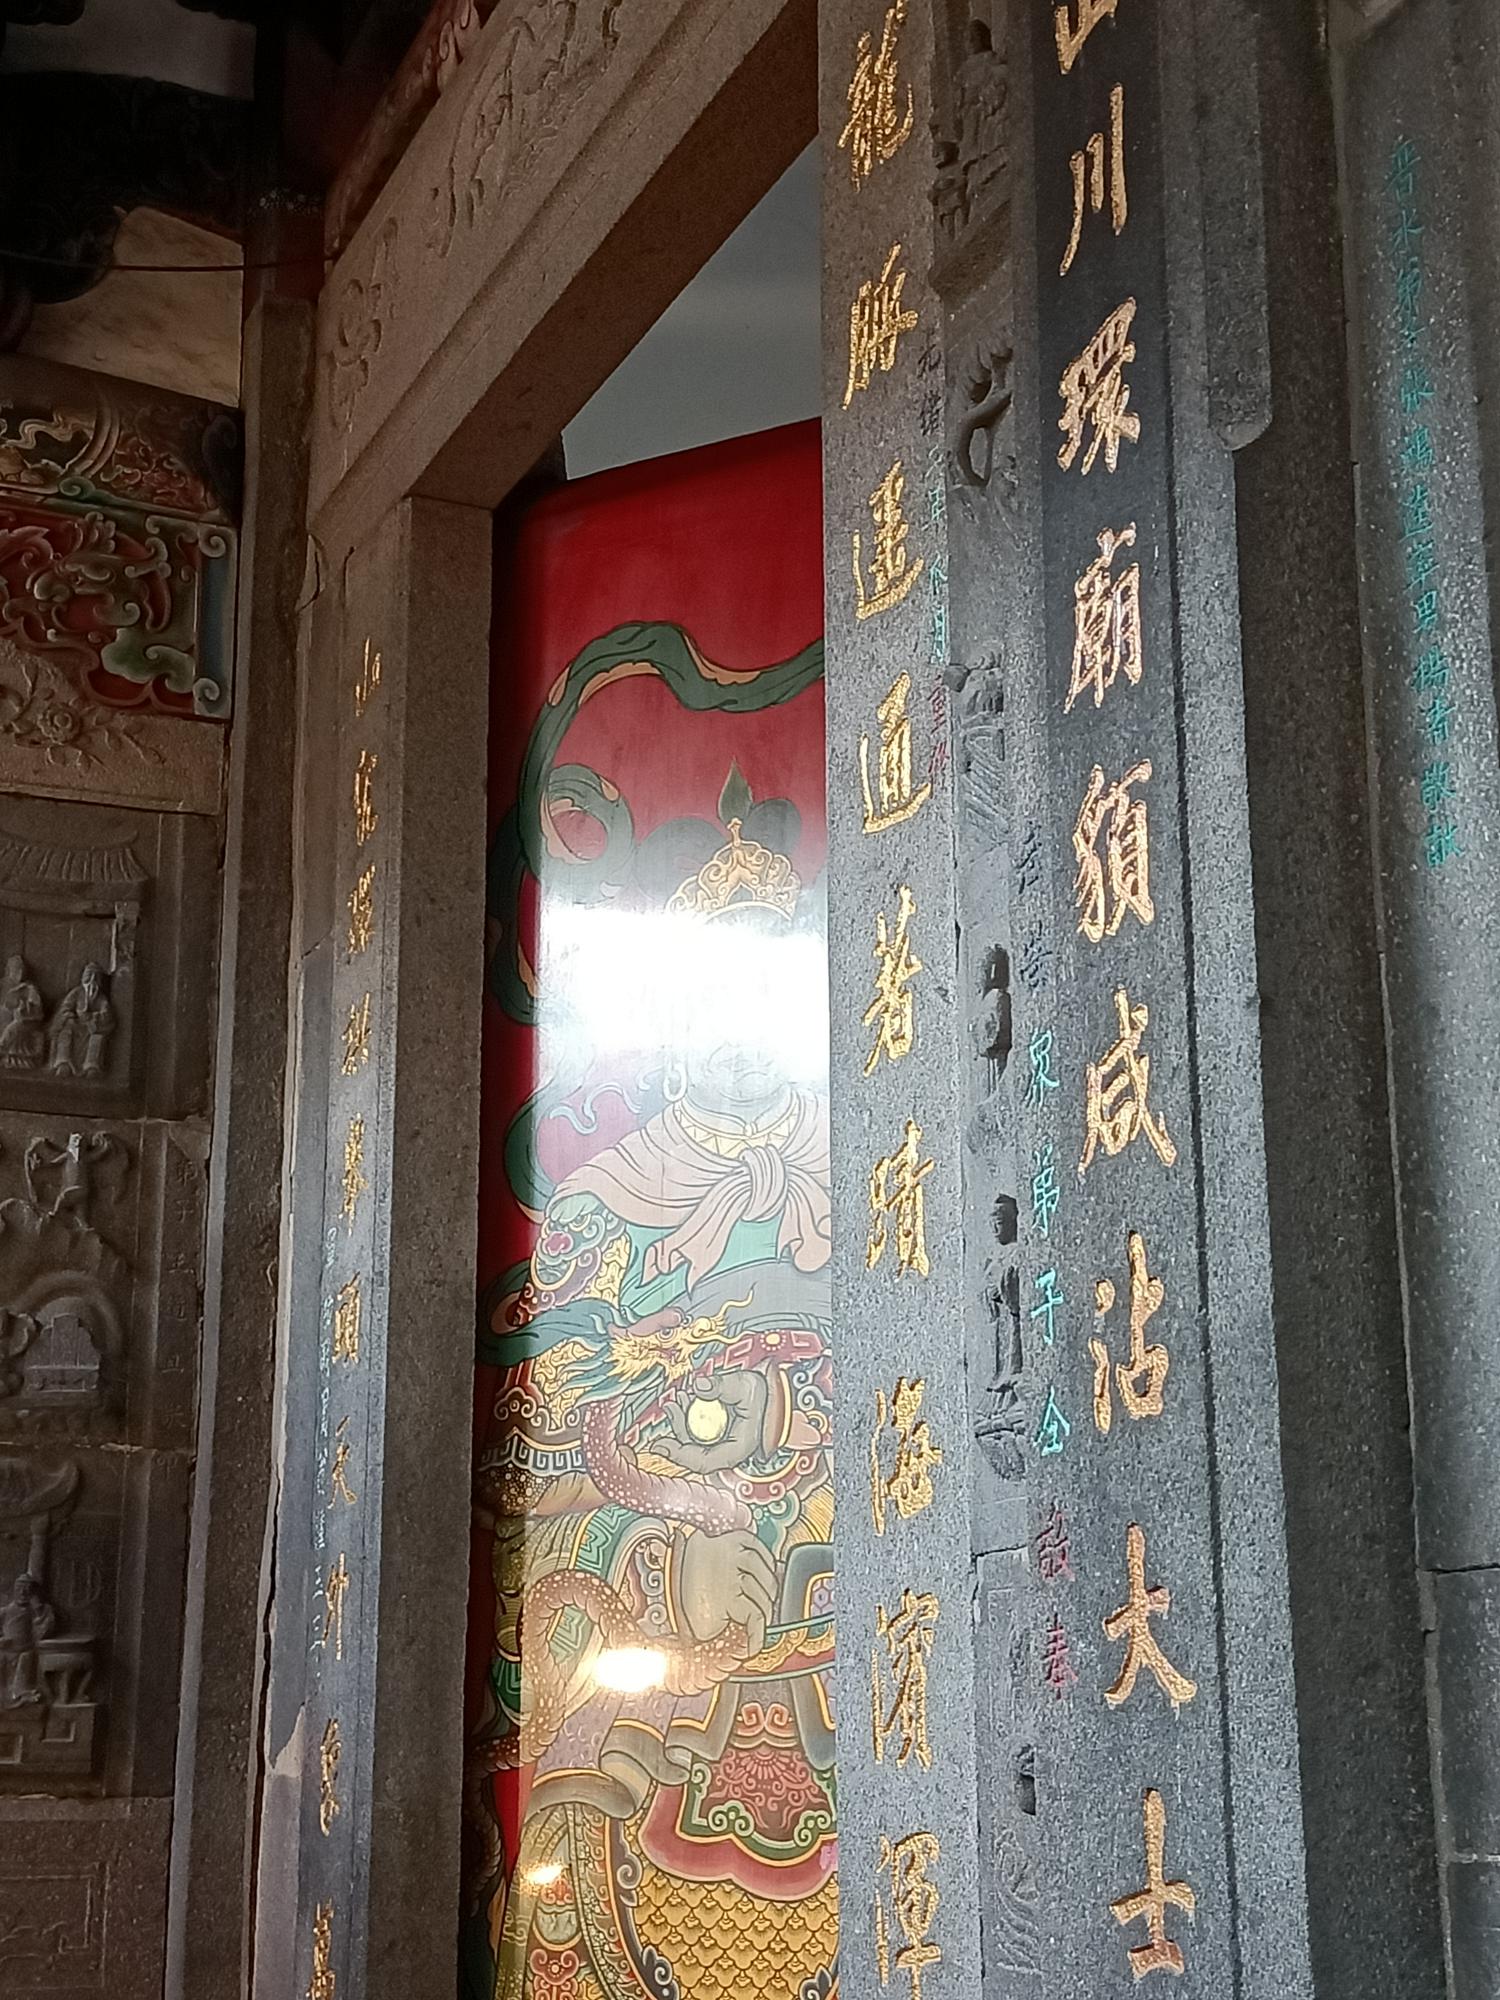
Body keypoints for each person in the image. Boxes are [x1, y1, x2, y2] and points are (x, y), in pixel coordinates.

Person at [47, 963, 113, 1078]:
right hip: (75, 1024)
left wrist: (94, 1017)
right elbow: (65, 1008)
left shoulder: (101, 997)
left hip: (91, 1027)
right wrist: (71, 1017)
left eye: (95, 978)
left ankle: (91, 1066)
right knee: (65, 1033)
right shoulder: (77, 992)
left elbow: (106, 1013)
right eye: (89, 976)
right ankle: (63, 1063)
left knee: (97, 1037)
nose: (92, 981)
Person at [0, 956, 43, 1069]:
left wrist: (25, 1009)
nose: (19, 973)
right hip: (3, 1017)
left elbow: (37, 1012)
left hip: (23, 1021)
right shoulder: (2, 985)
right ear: (8, 969)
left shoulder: (29, 989)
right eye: (15, 968)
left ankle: (2, 1047)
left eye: (21, 969)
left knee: (15, 1026)